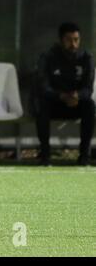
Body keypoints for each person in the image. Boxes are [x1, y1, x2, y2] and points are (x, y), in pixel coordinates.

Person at [34, 22, 95, 166]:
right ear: (61, 40)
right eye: (69, 40)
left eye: (76, 40)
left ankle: (84, 156)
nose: (73, 44)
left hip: (76, 104)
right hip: (55, 103)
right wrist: (60, 96)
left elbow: (88, 89)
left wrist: (77, 96)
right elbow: (43, 86)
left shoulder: (87, 58)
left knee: (90, 105)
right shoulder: (48, 57)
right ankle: (45, 156)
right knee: (41, 104)